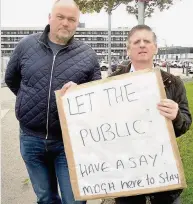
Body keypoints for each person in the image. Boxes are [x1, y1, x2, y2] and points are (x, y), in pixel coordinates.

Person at [5, 0, 101, 203]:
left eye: (71, 19)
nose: (65, 23)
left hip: (69, 143)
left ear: (77, 23)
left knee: (74, 199)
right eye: (60, 17)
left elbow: (96, 96)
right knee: (45, 197)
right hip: (31, 139)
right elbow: (12, 80)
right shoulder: (26, 46)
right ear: (50, 18)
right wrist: (28, 101)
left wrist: (80, 91)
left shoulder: (88, 55)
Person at [109, 25, 192, 204]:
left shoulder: (173, 82)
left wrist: (177, 115)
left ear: (155, 47)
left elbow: (185, 124)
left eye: (147, 41)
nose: (142, 45)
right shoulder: (111, 83)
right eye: (136, 42)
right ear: (128, 48)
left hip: (163, 172)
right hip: (127, 174)